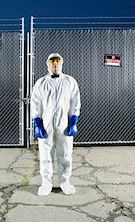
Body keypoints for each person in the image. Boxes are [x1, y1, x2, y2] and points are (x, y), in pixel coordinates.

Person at [31, 53, 81, 196]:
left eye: (57, 62)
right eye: (52, 62)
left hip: (64, 124)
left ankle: (65, 181)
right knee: (46, 155)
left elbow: (75, 102)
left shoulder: (70, 82)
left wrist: (73, 122)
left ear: (61, 63)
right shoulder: (41, 83)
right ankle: (46, 183)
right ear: (48, 64)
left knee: (65, 154)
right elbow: (35, 104)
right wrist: (38, 124)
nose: (55, 64)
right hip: (46, 125)